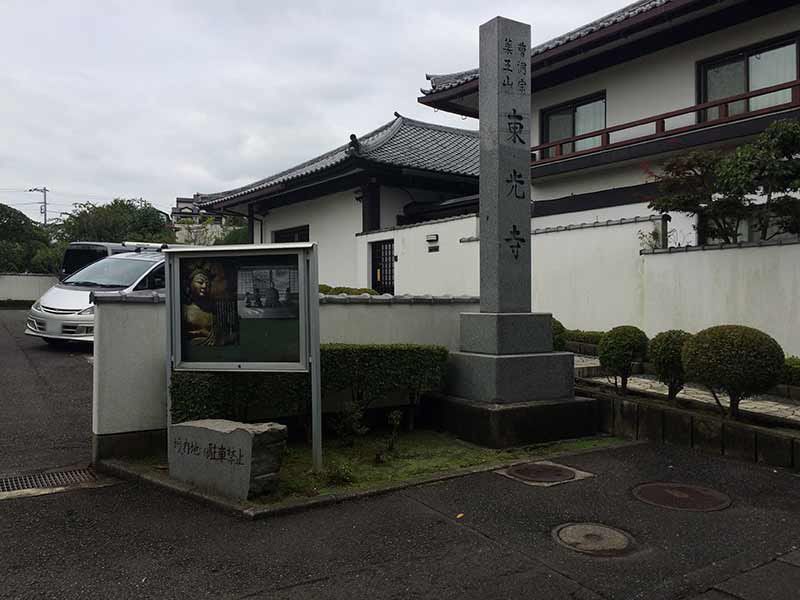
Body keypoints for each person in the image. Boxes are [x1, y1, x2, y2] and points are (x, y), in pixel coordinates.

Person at [182, 264, 217, 346]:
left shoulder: (213, 311)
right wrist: (199, 333)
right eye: (200, 282)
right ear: (190, 285)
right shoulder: (184, 309)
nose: (204, 286)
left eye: (207, 284)